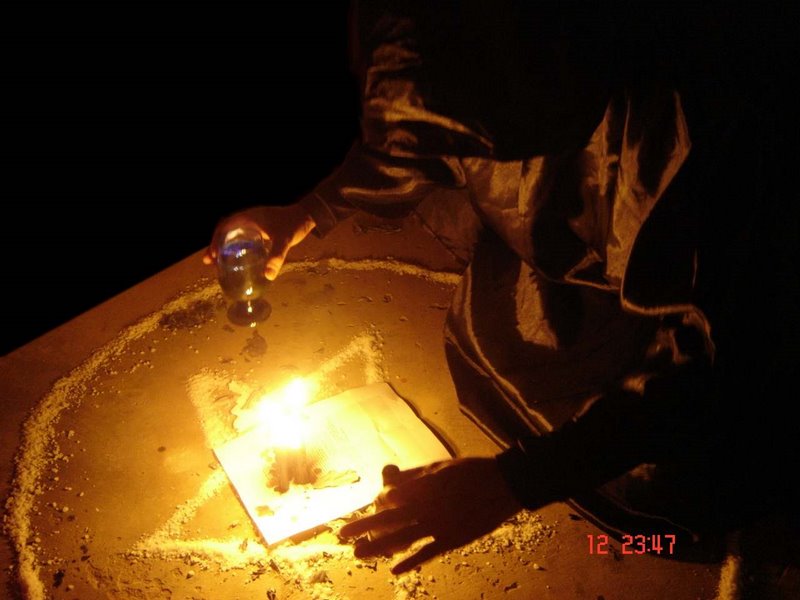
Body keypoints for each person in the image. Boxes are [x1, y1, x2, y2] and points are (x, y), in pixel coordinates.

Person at [205, 2, 798, 574]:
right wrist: (306, 213)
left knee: (664, 475)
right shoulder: (475, 56)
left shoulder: (688, 123)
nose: (471, 152)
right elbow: (429, 132)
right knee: (497, 327)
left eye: (480, 131)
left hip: (700, 328)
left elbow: (707, 358)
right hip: (575, 276)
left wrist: (514, 482)